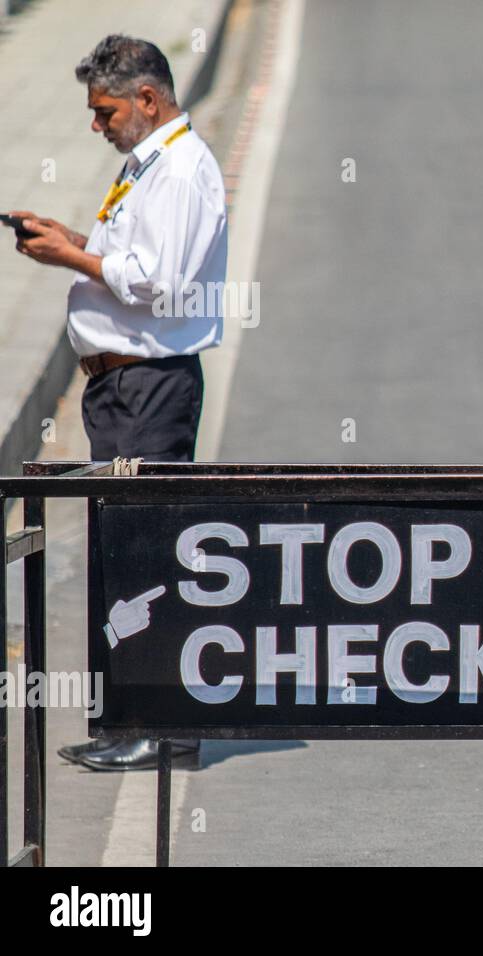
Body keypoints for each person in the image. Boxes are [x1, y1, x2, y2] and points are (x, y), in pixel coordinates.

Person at [8, 35, 228, 771]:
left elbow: (160, 285)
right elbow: (132, 263)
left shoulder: (183, 170)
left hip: (149, 387)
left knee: (147, 558)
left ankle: (160, 726)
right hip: (118, 388)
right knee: (121, 554)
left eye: (105, 112)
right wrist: (73, 239)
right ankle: (127, 717)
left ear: (148, 99)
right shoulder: (149, 167)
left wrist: (72, 257)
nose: (96, 126)